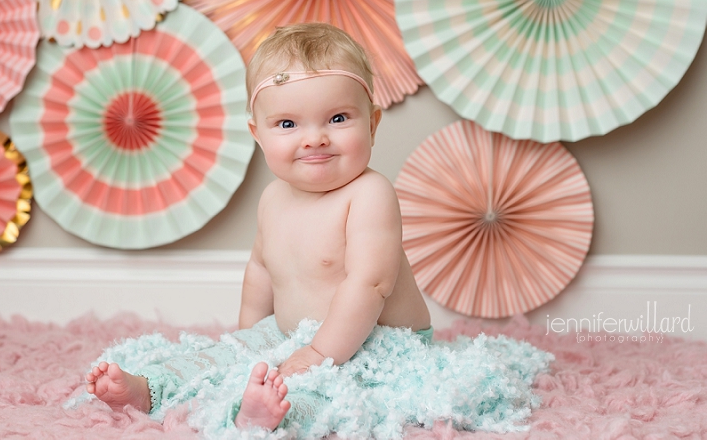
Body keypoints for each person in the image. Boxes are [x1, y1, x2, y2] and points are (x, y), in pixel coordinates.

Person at [81, 23, 552, 438]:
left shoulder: (369, 194)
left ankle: (273, 418)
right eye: (287, 123)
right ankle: (148, 389)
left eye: (338, 118)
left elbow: (370, 284)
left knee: (336, 393)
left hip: (373, 346)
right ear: (257, 133)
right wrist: (247, 340)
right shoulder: (272, 198)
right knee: (215, 358)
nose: (314, 137)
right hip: (294, 336)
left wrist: (318, 352)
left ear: (374, 122)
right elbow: (261, 269)